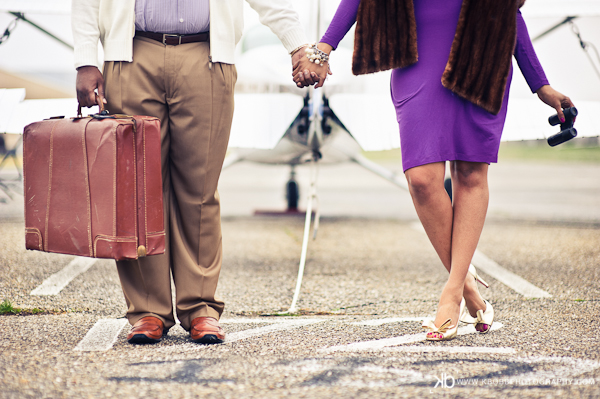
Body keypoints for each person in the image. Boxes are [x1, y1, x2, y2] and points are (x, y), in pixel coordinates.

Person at [295, 0, 574, 341]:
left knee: (471, 175)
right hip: (417, 58)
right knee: (422, 180)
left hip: (482, 58)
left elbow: (507, 12)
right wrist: (323, 49)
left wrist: (540, 84)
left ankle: (453, 291)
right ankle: (470, 289)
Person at [72, 0, 313, 345]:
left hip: (207, 56)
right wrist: (85, 60)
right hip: (132, 56)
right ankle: (147, 311)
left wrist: (298, 45)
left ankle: (200, 308)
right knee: (138, 192)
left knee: (199, 189)